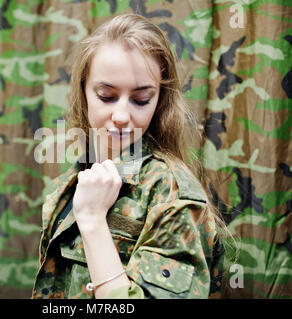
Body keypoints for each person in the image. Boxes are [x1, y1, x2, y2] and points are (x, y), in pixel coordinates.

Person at [32, 13, 229, 299]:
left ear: (159, 101)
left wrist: (92, 220)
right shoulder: (69, 184)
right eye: (106, 96)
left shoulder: (171, 196)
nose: (122, 116)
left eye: (140, 99)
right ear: (84, 91)